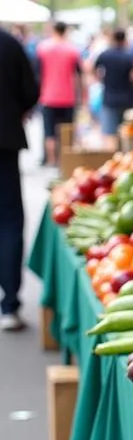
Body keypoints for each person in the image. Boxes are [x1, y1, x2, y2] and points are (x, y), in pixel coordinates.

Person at [0, 27, 40, 331]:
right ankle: (9, 304)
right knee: (10, 220)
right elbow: (31, 92)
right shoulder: (10, 44)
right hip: (5, 140)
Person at [36, 20, 83, 167]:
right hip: (68, 96)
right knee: (67, 131)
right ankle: (65, 159)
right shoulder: (72, 50)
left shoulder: (42, 48)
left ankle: (52, 160)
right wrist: (82, 95)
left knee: (49, 132)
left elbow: (37, 73)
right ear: (65, 31)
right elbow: (79, 74)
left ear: (53, 30)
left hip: (48, 96)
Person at [91, 29, 133, 149]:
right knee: (126, 132)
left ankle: (113, 159)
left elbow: (93, 69)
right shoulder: (129, 56)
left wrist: (101, 79)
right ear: (124, 39)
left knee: (110, 134)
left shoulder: (105, 55)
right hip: (128, 99)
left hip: (109, 98)